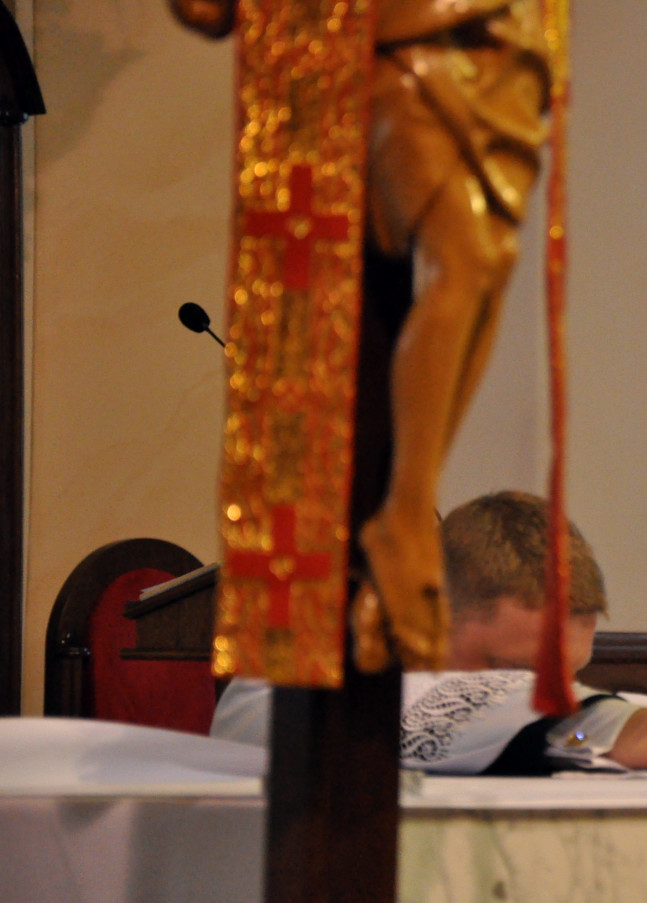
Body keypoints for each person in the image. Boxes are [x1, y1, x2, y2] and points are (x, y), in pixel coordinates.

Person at [170, 0, 555, 671]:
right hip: (385, 48)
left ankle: (405, 511)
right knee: (466, 258)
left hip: (498, 44)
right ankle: (405, 515)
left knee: (489, 262)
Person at [213, 492, 647, 775]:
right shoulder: (292, 675)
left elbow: (619, 713)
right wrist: (645, 732)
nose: (542, 692)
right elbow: (468, 712)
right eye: (509, 668)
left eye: (566, 672)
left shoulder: (547, 708)